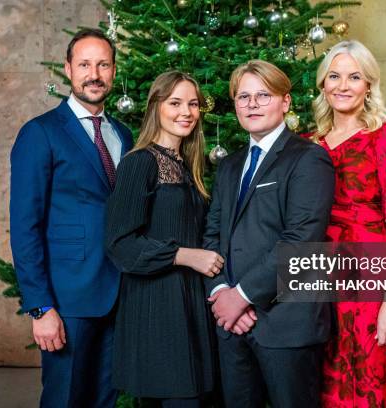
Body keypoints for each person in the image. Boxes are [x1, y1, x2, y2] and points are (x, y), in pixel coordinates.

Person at [9, 29, 133, 408]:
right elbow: (24, 225)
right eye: (84, 64)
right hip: (67, 301)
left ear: (113, 71)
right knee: (65, 399)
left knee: (106, 400)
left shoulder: (123, 134)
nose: (94, 73)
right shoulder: (40, 133)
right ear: (68, 69)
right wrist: (40, 306)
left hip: (120, 296)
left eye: (103, 64)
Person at [203, 60, 335, 408]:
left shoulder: (308, 159)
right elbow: (212, 235)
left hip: (286, 324)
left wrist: (242, 295)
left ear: (285, 102)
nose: (252, 104)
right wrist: (221, 294)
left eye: (263, 95)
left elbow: (302, 242)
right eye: (243, 97)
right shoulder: (230, 166)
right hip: (232, 325)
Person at [310, 40, 386, 407]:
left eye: (354, 77)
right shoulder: (309, 144)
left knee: (371, 376)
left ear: (368, 85)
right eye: (335, 76)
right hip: (319, 276)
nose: (343, 85)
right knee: (324, 378)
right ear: (323, 83)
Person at [105, 71, 222, 408]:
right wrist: (186, 256)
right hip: (157, 306)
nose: (186, 111)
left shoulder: (188, 166)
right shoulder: (139, 163)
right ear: (155, 106)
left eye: (193, 104)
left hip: (189, 303)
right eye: (175, 103)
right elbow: (120, 244)